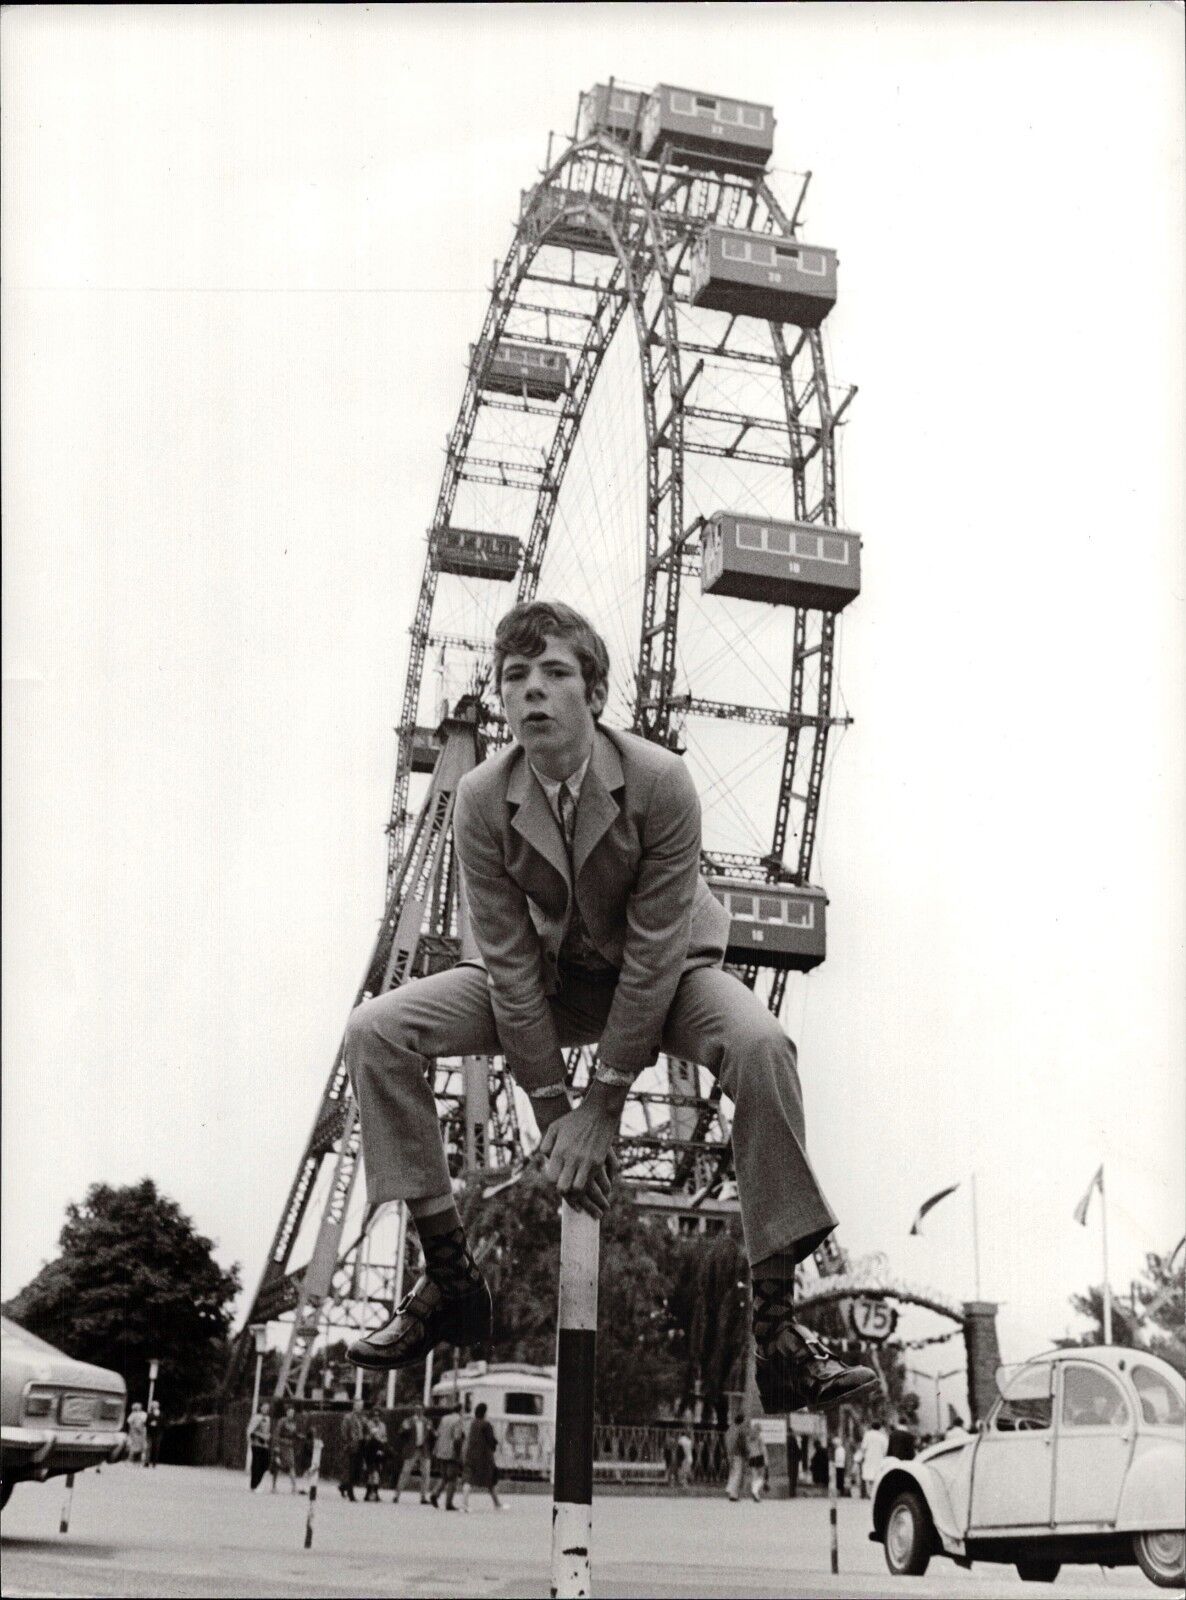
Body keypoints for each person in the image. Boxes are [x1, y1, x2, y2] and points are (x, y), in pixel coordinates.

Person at [345, 602, 876, 1417]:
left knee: (763, 1047)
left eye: (555, 673)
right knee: (376, 1030)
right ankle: (448, 1272)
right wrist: (557, 1111)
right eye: (515, 677)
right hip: (553, 984)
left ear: (595, 695)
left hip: (665, 980)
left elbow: (658, 950)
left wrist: (605, 1105)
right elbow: (511, 965)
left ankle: (776, 1327)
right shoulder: (484, 798)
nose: (532, 692)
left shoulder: (660, 781)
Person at [460, 1402, 503, 1512]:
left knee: (468, 1480)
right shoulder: (486, 1424)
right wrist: (495, 1445)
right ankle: (497, 1504)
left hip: (471, 1455)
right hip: (484, 1457)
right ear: (484, 1412)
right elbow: (491, 1441)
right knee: (491, 1480)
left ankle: (464, 1504)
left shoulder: (473, 1423)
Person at [428, 1404, 464, 1510]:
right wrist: (458, 1454)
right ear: (460, 1410)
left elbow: (438, 1433)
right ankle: (449, 1503)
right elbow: (457, 1438)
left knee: (444, 1476)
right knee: (452, 1478)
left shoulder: (444, 1418)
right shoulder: (458, 1420)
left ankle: (435, 1493)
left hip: (441, 1450)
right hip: (451, 1452)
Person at [339, 1398, 366, 1502]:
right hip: (352, 1445)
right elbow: (344, 1431)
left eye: (361, 1406)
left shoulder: (362, 1418)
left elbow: (364, 1429)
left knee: (357, 1470)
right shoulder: (348, 1417)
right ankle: (351, 1494)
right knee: (351, 1469)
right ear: (354, 1406)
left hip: (360, 1444)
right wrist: (347, 1443)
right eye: (358, 1405)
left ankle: (343, 1486)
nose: (360, 1407)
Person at [270, 1403, 301, 1493]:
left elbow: (293, 1434)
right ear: (287, 1412)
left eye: (293, 1412)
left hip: (289, 1447)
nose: (291, 1414)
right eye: (290, 1412)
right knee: (277, 1466)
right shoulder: (282, 1421)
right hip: (281, 1445)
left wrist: (298, 1436)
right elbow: (276, 1434)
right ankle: (274, 1487)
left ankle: (294, 1487)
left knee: (291, 1466)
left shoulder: (294, 1423)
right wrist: (276, 1446)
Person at [855, 1419, 887, 1499]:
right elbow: (885, 1449)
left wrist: (860, 1456)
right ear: (879, 1428)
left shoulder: (867, 1435)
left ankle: (869, 1493)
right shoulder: (882, 1436)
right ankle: (875, 1493)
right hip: (879, 1458)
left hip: (869, 1458)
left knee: (868, 1477)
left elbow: (863, 1447)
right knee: (877, 1476)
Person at [246, 1399, 272, 1491]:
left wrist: (268, 1436)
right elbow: (250, 1430)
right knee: (256, 1463)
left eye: (267, 1408)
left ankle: (258, 1482)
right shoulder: (256, 1417)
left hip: (265, 1444)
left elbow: (268, 1430)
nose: (266, 1409)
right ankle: (254, 1484)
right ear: (260, 1408)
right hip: (257, 1443)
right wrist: (256, 1437)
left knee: (265, 1463)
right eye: (264, 1407)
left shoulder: (268, 1419)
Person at [362, 1410, 387, 1502]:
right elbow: (365, 1437)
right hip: (370, 1450)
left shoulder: (383, 1425)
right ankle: (369, 1493)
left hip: (379, 1450)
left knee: (377, 1472)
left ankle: (374, 1493)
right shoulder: (368, 1424)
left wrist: (382, 1440)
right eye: (375, 1415)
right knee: (371, 1472)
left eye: (378, 1415)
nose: (376, 1417)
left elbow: (385, 1437)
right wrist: (371, 1436)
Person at [389, 1411, 413, 1503]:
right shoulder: (407, 1422)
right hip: (405, 1449)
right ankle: (396, 1494)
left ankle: (396, 1492)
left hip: (411, 1449)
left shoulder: (425, 1421)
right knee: (403, 1471)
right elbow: (401, 1433)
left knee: (402, 1470)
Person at [725, 1411, 749, 1501]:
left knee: (732, 1473)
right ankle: (733, 1494)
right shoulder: (740, 1430)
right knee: (737, 1474)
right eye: (745, 1421)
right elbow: (742, 1444)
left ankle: (730, 1490)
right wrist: (746, 1454)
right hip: (737, 1454)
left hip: (730, 1454)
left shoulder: (730, 1429)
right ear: (742, 1421)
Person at [746, 1417, 767, 1501]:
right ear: (759, 1430)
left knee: (754, 1476)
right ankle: (755, 1491)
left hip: (751, 1457)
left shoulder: (749, 1438)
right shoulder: (759, 1438)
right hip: (759, 1457)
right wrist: (766, 1459)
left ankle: (755, 1493)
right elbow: (763, 1449)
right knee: (761, 1477)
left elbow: (747, 1448)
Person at [125, 1402, 147, 1466]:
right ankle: (131, 1460)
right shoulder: (132, 1414)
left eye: (138, 1407)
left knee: (142, 1445)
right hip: (134, 1431)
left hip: (141, 1431)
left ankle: (141, 1461)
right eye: (136, 1407)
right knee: (133, 1445)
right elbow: (129, 1422)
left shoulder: (143, 1414)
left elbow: (144, 1422)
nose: (137, 1408)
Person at [145, 1401, 163, 1467]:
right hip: (150, 1433)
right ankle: (146, 1462)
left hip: (158, 1433)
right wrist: (150, 1424)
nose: (154, 1406)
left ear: (158, 1406)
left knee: (156, 1448)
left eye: (155, 1405)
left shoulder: (161, 1414)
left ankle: (154, 1462)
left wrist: (157, 1424)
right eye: (153, 1405)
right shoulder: (149, 1414)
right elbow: (146, 1423)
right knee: (148, 1447)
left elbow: (164, 1424)